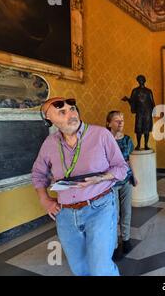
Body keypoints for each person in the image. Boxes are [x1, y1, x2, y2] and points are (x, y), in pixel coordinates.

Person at [32, 97, 129, 276]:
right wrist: (44, 199)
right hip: (65, 214)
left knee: (100, 269)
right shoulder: (49, 143)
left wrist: (100, 178)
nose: (72, 114)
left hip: (100, 207)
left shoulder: (101, 135)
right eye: (63, 112)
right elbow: (38, 174)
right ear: (49, 119)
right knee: (80, 269)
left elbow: (122, 168)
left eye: (73, 109)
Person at [106, 110, 138, 261]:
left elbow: (128, 160)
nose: (120, 123)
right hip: (111, 182)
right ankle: (113, 244)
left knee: (126, 211)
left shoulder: (127, 140)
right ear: (109, 123)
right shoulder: (104, 139)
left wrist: (134, 176)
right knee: (113, 214)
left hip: (126, 179)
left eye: (122, 120)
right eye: (117, 120)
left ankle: (126, 239)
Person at [122, 75, 155, 150]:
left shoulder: (148, 91)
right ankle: (138, 145)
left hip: (147, 112)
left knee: (146, 129)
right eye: (139, 80)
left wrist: (154, 112)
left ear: (144, 80)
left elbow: (152, 102)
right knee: (138, 129)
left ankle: (146, 145)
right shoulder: (135, 91)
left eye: (141, 79)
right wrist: (127, 99)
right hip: (139, 112)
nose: (140, 81)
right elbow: (132, 101)